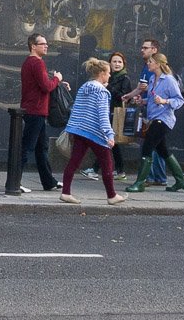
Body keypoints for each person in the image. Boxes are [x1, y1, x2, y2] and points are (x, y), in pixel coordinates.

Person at [57, 57, 127, 205]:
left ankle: (66, 192)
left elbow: (77, 108)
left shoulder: (85, 87)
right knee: (107, 163)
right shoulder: (102, 92)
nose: (109, 75)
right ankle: (112, 195)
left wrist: (72, 127)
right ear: (102, 73)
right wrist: (109, 134)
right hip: (94, 132)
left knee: (74, 162)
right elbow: (103, 115)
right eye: (108, 72)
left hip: (79, 130)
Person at [125, 52, 184, 193]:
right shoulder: (153, 78)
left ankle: (139, 183)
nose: (148, 63)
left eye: (151, 62)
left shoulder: (169, 80)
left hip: (163, 119)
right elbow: (153, 99)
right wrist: (143, 101)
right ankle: (180, 181)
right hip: (154, 118)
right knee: (163, 150)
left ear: (158, 64)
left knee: (147, 148)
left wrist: (165, 101)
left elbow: (179, 100)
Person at [18, 32, 64, 193]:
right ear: (33, 46)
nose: (46, 46)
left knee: (41, 148)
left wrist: (56, 82)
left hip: (35, 110)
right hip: (36, 110)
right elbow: (46, 86)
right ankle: (14, 181)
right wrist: (57, 79)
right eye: (42, 44)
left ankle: (48, 181)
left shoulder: (29, 63)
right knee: (27, 147)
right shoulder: (37, 63)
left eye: (46, 44)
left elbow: (41, 84)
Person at [123, 38, 168, 185]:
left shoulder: (158, 71)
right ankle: (159, 177)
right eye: (142, 47)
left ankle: (148, 177)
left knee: (149, 144)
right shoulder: (147, 67)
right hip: (150, 109)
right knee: (158, 145)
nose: (142, 50)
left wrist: (143, 95)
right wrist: (134, 96)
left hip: (158, 113)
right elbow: (142, 87)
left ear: (154, 50)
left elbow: (154, 89)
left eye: (146, 48)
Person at [82, 50, 133, 181]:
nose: (117, 64)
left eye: (119, 62)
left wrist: (108, 86)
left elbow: (123, 96)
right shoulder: (108, 77)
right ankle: (119, 170)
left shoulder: (124, 78)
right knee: (110, 143)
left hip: (114, 113)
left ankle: (96, 169)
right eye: (114, 61)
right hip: (105, 111)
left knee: (107, 142)